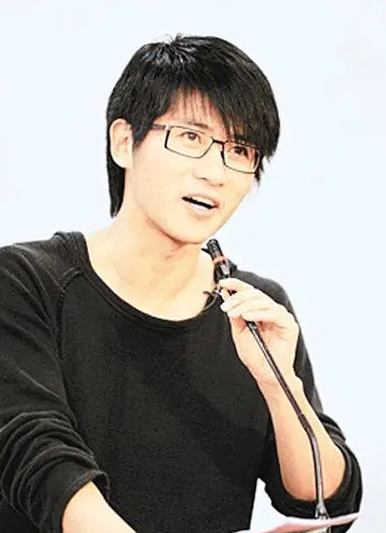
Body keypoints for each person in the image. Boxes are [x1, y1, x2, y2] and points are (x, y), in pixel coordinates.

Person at [0, 34, 362, 533]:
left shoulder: (254, 309)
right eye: (191, 137)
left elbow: (323, 498)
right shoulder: (26, 282)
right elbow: (38, 458)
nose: (215, 171)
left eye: (240, 149)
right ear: (123, 142)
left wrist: (281, 386)